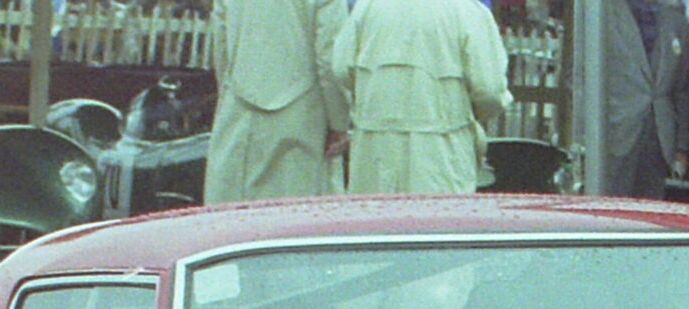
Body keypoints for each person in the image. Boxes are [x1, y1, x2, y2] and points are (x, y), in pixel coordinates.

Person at [333, 0, 509, 193]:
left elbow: (341, 69)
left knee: (375, 210)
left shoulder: (368, 7)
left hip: (374, 148)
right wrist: (470, 114)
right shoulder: (468, 11)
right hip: (442, 150)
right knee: (440, 211)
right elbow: (490, 90)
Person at [205, 0, 349, 204]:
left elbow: (221, 48)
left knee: (235, 213)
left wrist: (228, 98)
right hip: (302, 116)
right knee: (299, 212)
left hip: (239, 114)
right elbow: (330, 58)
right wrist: (338, 123)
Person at [602, 0, 689, 197]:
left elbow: (682, 88)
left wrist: (681, 147)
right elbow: (579, 78)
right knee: (611, 207)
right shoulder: (603, 13)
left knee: (650, 209)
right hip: (614, 135)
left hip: (660, 139)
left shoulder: (676, 18)